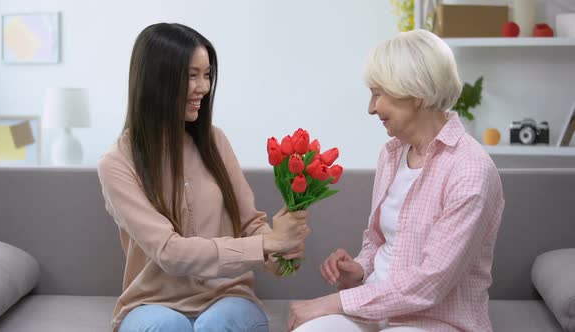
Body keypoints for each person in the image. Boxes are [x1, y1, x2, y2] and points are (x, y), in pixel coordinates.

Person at [97, 23, 311, 332]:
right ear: (158, 80)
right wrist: (266, 244)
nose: (204, 87)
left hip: (227, 297)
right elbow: (170, 252)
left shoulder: (215, 141)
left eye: (207, 74)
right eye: (191, 76)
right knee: (166, 327)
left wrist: (281, 252)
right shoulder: (117, 163)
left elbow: (249, 224)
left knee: (217, 324)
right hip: (151, 304)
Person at [288, 29, 505, 332]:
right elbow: (379, 240)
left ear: (415, 92)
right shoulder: (391, 154)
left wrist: (332, 302)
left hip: (434, 321)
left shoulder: (470, 171)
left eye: (378, 93)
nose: (371, 108)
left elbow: (429, 283)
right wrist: (360, 269)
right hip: (376, 313)